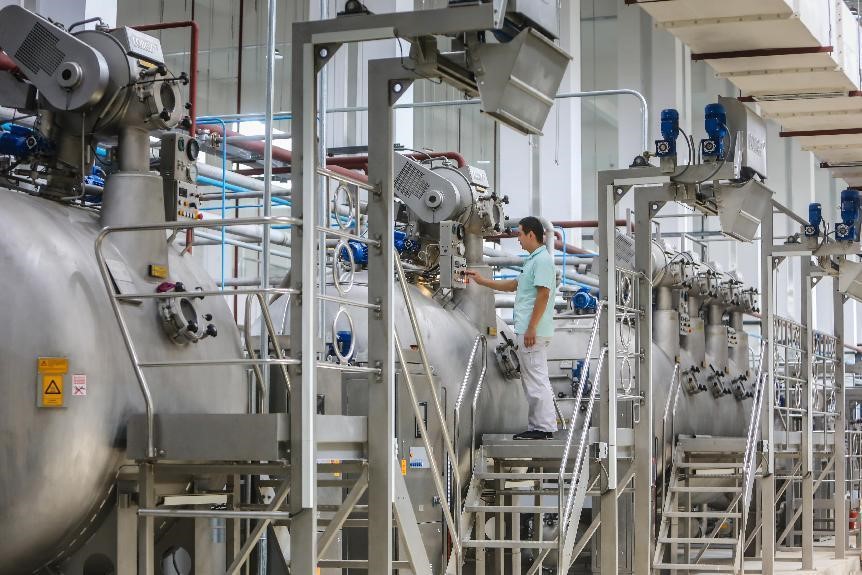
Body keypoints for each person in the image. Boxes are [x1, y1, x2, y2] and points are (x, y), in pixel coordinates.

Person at [465, 216, 558, 440]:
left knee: (535, 379)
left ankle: (543, 428)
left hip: (532, 330)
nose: (518, 239)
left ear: (531, 235)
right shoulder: (533, 260)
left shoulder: (542, 260)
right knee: (533, 378)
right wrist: (482, 281)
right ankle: (540, 426)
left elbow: (543, 295)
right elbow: (513, 285)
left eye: (520, 234)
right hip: (529, 329)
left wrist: (532, 328)